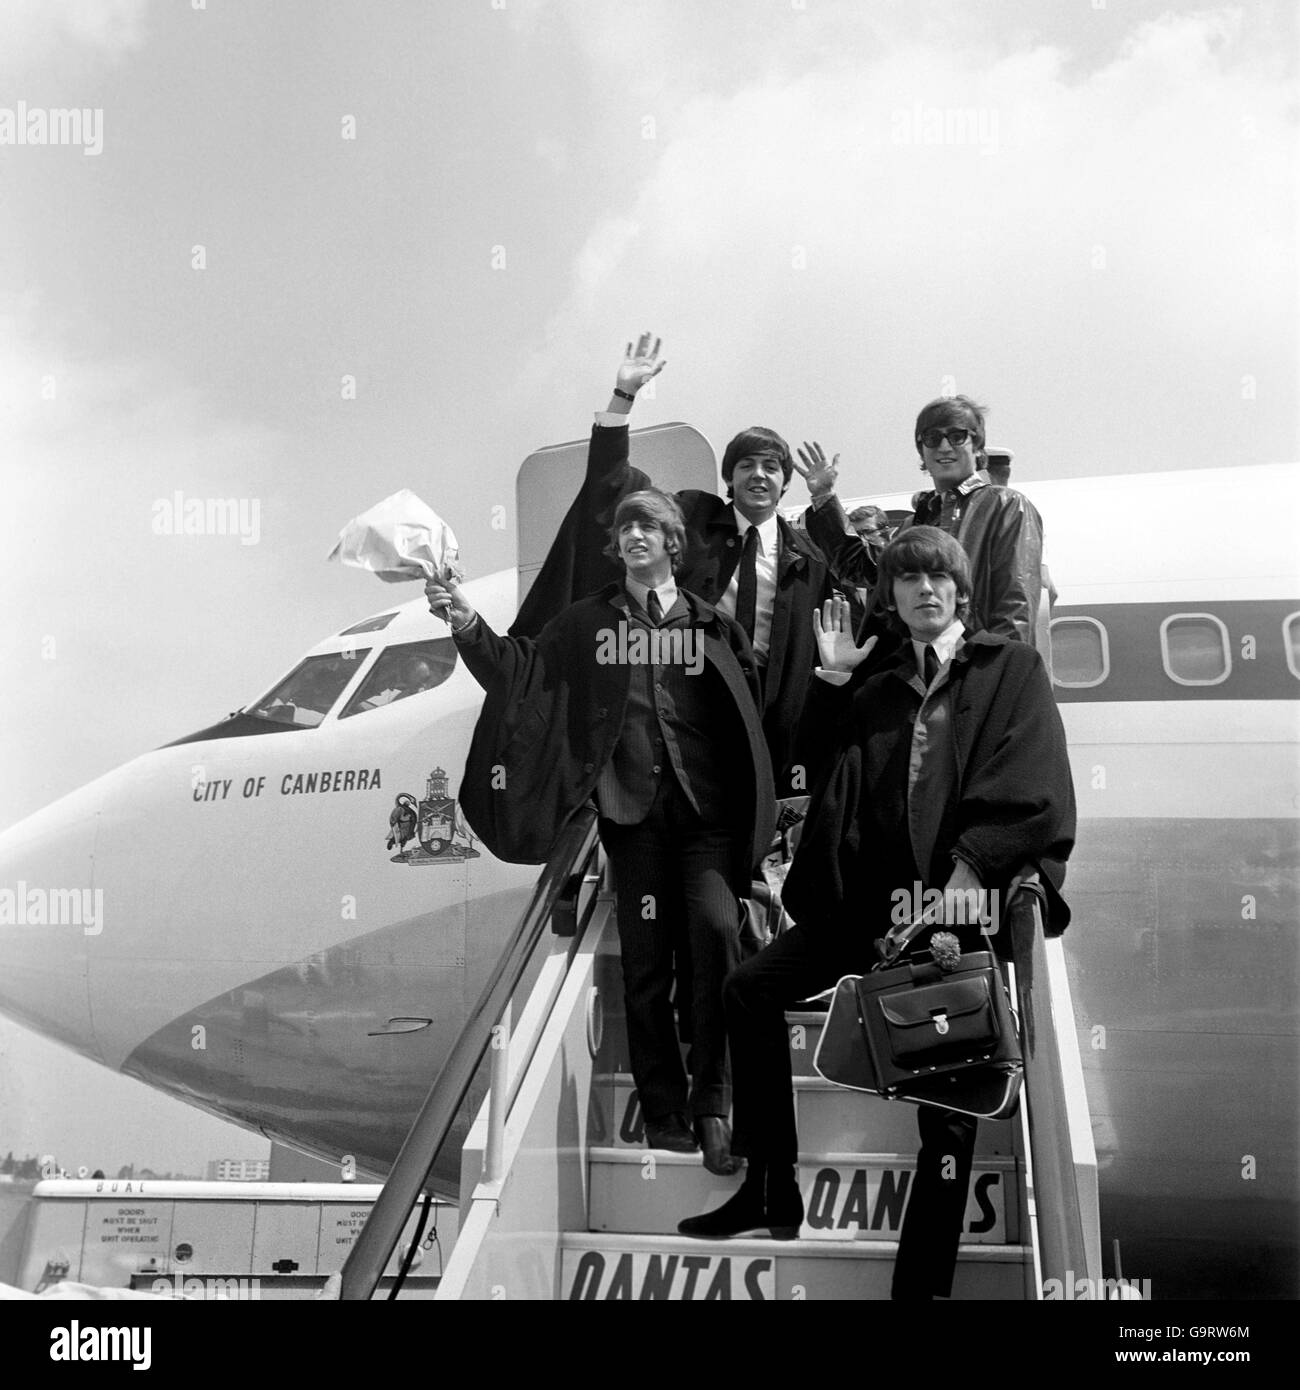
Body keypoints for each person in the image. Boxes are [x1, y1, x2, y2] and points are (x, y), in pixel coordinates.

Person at [677, 526, 1075, 1300]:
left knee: (946, 1119)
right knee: (749, 988)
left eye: (940, 579)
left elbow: (1034, 782)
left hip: (953, 915)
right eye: (909, 580)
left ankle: (918, 1289)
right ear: (890, 598)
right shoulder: (880, 681)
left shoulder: (1009, 670)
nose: (926, 590)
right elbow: (812, 772)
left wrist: (973, 866)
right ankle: (771, 1187)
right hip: (873, 910)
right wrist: (830, 683)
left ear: (961, 591)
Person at [426, 489, 774, 1176]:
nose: (635, 535)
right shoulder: (586, 623)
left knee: (714, 935)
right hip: (632, 817)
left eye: (649, 525)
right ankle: (665, 1112)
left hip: (707, 817)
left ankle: (714, 1106)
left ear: (673, 541)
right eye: (625, 528)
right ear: (616, 547)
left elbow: (752, 717)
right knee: (645, 967)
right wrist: (466, 621)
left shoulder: (711, 625)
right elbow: (518, 673)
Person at [515, 334, 833, 798]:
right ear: (730, 478)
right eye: (746, 465)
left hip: (768, 724)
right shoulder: (692, 517)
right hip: (684, 702)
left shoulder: (807, 561)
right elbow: (614, 488)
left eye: (770, 467)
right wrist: (622, 399)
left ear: (786, 483)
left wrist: (827, 501)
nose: (758, 475)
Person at [797, 397, 1050, 663]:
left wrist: (1001, 674)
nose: (944, 446)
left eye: (957, 436)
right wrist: (824, 496)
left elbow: (1014, 604)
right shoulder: (915, 522)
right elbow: (862, 569)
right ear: (921, 450)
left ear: (977, 446)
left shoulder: (1006, 506)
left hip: (976, 667)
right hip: (919, 672)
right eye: (932, 438)